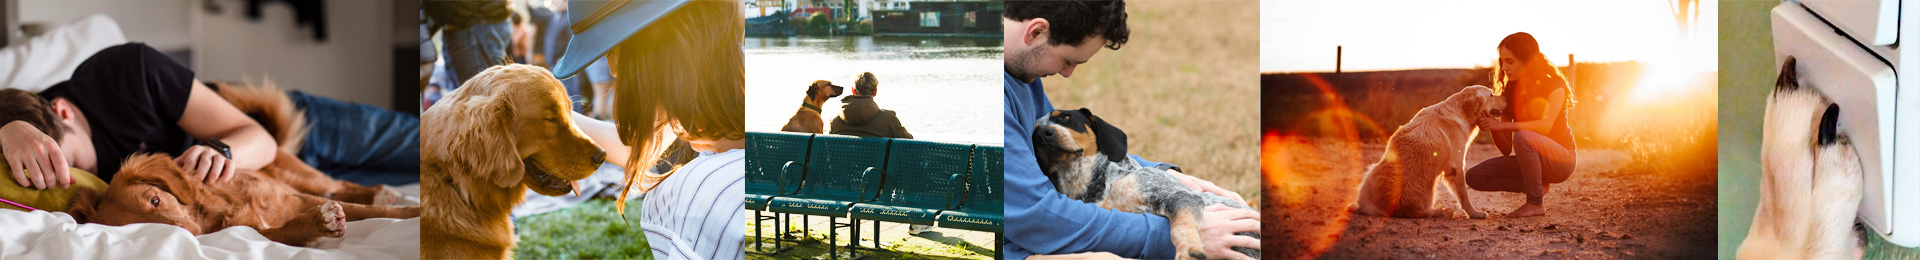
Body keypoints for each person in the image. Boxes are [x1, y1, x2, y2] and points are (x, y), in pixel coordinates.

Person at [1001, 1, 1260, 259]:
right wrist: (1175, 236)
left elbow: (1064, 151)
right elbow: (1037, 216)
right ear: (1035, 32)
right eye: (1068, 60)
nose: (1067, 73)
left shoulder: (1023, 75)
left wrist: (1159, 172)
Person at [0, 43, 421, 190]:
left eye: (68, 161)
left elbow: (259, 137)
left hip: (282, 125)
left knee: (431, 145)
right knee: (436, 189)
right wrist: (5, 128)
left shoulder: (127, 71)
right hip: (274, 187)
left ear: (63, 110)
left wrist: (219, 151)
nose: (69, 178)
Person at [548, 0, 745, 259]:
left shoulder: (704, 191)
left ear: (652, 35)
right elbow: (638, 150)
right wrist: (554, 118)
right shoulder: (696, 80)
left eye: (612, 49)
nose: (613, 69)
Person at [1466, 32, 1578, 218]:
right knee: (1474, 177)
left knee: (1524, 136)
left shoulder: (1554, 86)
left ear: (1527, 60)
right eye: (1502, 61)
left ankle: (1535, 203)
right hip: (1530, 161)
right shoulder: (1510, 91)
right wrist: (1490, 121)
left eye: (1510, 61)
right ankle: (1538, 186)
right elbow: (1505, 148)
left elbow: (1545, 126)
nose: (1504, 67)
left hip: (1562, 160)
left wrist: (1502, 126)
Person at [829, 72, 913, 139]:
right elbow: (909, 143)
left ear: (853, 91)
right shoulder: (888, 119)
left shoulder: (835, 121)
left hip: (844, 161)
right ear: (875, 92)